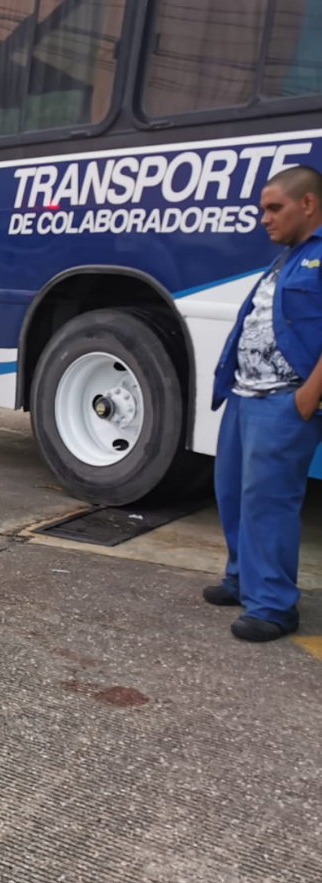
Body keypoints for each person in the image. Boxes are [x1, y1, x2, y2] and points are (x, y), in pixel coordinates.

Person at [207, 165, 322, 641]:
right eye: (261, 210)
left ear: (308, 204)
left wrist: (308, 395)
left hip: (283, 402)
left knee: (269, 501)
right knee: (233, 493)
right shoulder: (288, 258)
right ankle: (242, 579)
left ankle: (274, 605)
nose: (264, 219)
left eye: (274, 208)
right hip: (244, 396)